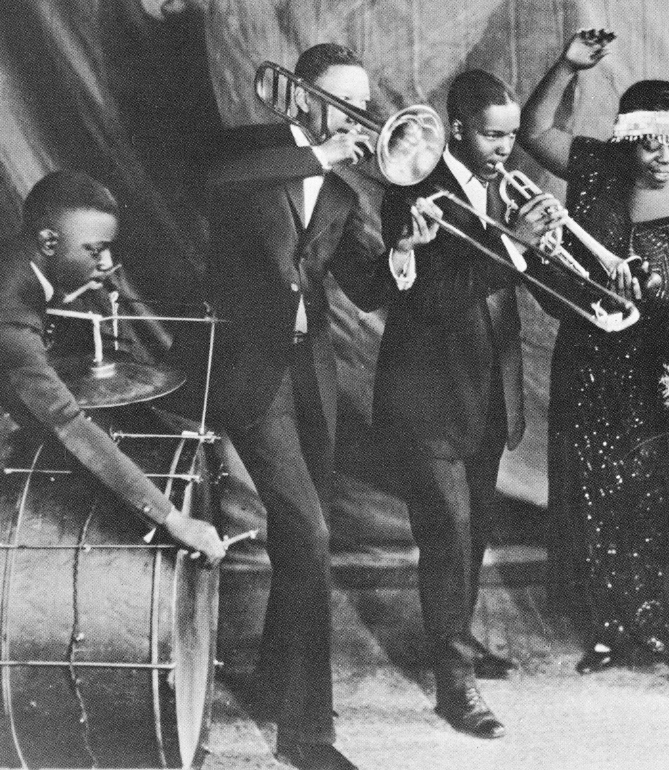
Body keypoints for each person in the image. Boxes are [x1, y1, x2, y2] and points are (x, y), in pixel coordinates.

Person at [520, 30, 669, 704]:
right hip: (593, 372)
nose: (664, 157)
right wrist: (567, 67)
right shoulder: (593, 172)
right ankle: (613, 627)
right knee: (604, 504)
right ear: (626, 142)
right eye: (652, 144)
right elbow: (533, 131)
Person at [207, 43, 384, 770]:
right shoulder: (252, 150)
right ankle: (307, 735)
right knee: (309, 533)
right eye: (341, 100)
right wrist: (319, 154)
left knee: (301, 536)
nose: (357, 115)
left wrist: (402, 257)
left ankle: (274, 679)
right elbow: (220, 181)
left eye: (362, 103)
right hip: (251, 369)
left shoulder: (343, 191)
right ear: (301, 95)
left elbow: (365, 289)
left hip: (311, 373)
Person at [373, 68, 565, 738]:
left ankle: (457, 641)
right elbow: (428, 296)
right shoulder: (412, 189)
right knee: (450, 537)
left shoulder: (505, 188)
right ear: (456, 127)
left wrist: (556, 258)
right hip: (428, 397)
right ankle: (455, 687)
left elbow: (526, 277)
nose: (506, 148)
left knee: (475, 533)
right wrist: (514, 242)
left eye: (512, 135)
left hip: (489, 394)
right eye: (492, 134)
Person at [0, 170, 225, 562]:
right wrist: (173, 518)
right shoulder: (11, 312)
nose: (106, 264)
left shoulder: (17, 262)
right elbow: (65, 421)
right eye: (94, 250)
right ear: (49, 242)